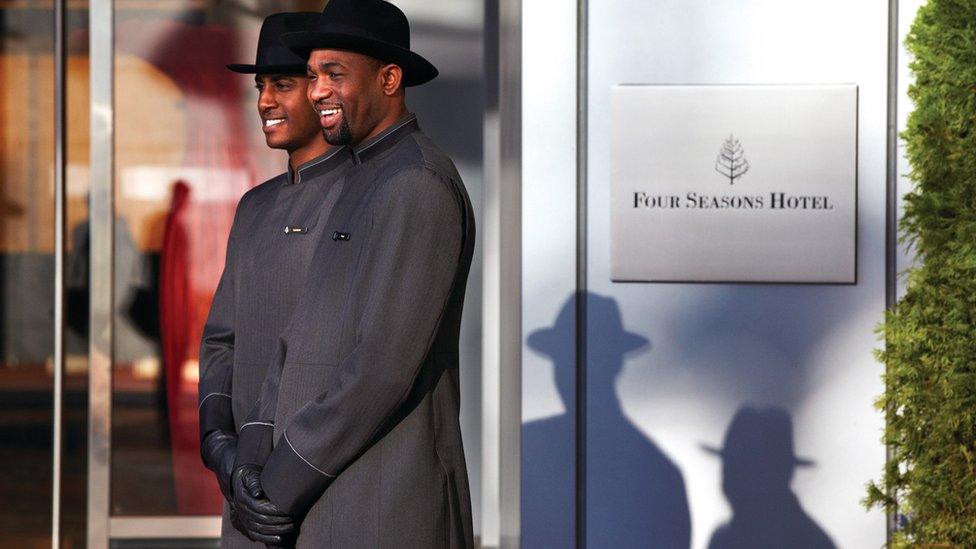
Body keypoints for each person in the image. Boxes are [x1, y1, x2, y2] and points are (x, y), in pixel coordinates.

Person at [231, 0, 476, 546]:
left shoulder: (416, 183)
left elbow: (379, 370)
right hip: (323, 500)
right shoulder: (359, 179)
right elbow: (297, 337)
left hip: (383, 505)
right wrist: (252, 453)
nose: (317, 90)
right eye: (314, 75)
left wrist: (279, 482)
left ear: (390, 79)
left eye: (334, 74)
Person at [196, 11, 353, 548]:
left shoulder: (366, 198)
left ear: (321, 90)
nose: (264, 100)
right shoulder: (254, 207)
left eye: (281, 84)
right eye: (260, 86)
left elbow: (362, 362)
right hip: (244, 493)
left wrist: (282, 470)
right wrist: (219, 444)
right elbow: (221, 341)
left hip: (324, 488)